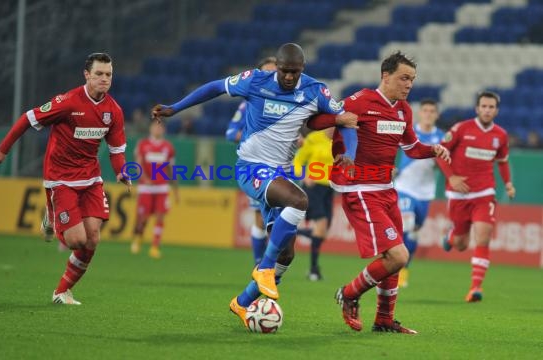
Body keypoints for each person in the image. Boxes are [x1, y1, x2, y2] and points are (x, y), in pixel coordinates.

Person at [151, 43, 358, 327]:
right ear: (278, 68)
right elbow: (214, 87)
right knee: (299, 201)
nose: (288, 76)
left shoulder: (315, 90)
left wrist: (348, 153)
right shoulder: (255, 80)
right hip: (251, 167)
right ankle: (264, 268)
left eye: (294, 72)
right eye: (284, 71)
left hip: (282, 173)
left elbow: (346, 119)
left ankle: (242, 302)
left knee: (288, 252)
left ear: (302, 69)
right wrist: (175, 108)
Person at [308, 51, 450, 334]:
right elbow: (315, 121)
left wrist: (433, 149)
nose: (409, 85)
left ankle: (384, 320)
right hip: (360, 189)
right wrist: (339, 120)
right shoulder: (360, 101)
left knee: (395, 258)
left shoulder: (404, 110)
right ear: (385, 76)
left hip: (386, 190)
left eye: (412, 80)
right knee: (398, 256)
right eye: (404, 78)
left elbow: (411, 148)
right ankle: (349, 293)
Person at [0, 52, 130, 305]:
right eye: (99, 74)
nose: (104, 79)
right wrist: (3, 149)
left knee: (93, 239)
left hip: (90, 179)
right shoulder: (68, 102)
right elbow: (28, 119)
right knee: (77, 241)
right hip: (60, 178)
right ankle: (51, 216)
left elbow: (116, 150)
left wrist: (121, 171)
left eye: (108, 74)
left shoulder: (113, 111)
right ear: (87, 75)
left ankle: (62, 291)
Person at [437, 91, 515, 302]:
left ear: (496, 111)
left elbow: (503, 160)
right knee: (461, 244)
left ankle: (475, 288)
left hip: (484, 192)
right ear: (477, 108)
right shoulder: (461, 128)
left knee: (483, 235)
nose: (487, 110)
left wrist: (507, 184)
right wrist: (452, 177)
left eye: (491, 107)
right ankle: (452, 236)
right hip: (459, 194)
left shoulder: (500, 135)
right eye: (484, 106)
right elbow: (441, 152)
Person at [225, 56, 277, 265]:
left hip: (281, 166)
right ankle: (259, 263)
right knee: (260, 217)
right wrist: (253, 136)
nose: (271, 77)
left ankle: (270, 263)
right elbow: (230, 133)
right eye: (266, 72)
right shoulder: (249, 104)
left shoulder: (287, 101)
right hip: (256, 167)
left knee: (281, 217)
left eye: (274, 72)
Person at [394, 99, 444, 287]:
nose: (429, 114)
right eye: (425, 110)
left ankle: (405, 267)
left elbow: (447, 163)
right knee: (406, 225)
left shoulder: (442, 137)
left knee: (415, 232)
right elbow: (390, 148)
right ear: (420, 113)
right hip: (404, 187)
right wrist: (391, 167)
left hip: (425, 192)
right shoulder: (409, 131)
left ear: (437, 115)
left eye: (432, 111)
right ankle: (399, 272)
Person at [130, 119, 179, 259]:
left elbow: (170, 169)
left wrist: (175, 189)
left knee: (160, 216)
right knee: (143, 218)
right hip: (146, 187)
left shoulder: (168, 147)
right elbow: (137, 164)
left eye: (160, 127)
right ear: (150, 128)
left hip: (162, 187)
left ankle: (155, 246)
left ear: (163, 130)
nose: (157, 129)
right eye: (155, 127)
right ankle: (138, 238)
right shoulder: (143, 144)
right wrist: (145, 178)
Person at [293, 127, 335, 281]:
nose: (334, 129)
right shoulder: (313, 139)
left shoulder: (341, 140)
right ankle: (313, 270)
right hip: (313, 187)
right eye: (331, 125)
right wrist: (303, 176)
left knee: (323, 231)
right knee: (322, 224)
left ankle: (293, 231)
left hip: (330, 189)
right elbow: (298, 160)